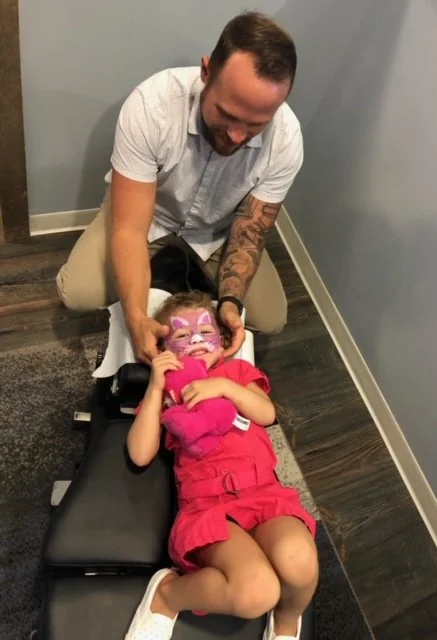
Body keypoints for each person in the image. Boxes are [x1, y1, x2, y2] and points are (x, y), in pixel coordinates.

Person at [55, 11, 304, 363]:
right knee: (78, 293)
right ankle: (166, 271)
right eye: (228, 114)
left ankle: (181, 270)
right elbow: (130, 230)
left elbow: (249, 234)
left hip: (218, 229)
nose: (237, 136)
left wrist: (230, 303)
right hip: (147, 213)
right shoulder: (151, 105)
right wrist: (137, 319)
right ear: (206, 72)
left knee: (270, 319)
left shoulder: (287, 141)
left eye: (255, 125)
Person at [125, 291, 319, 640]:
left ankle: (286, 620)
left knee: (300, 562)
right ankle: (167, 594)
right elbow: (140, 453)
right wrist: (155, 388)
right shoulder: (170, 393)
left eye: (205, 331)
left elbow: (266, 413)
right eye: (182, 335)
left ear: (222, 340)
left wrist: (224, 387)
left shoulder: (237, 373)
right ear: (166, 348)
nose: (196, 340)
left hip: (264, 495)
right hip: (209, 506)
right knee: (257, 592)